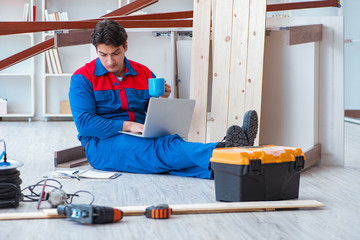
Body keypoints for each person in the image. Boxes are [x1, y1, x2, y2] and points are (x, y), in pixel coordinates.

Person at [69, 19, 258, 179]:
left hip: (143, 137)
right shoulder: (82, 78)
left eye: (115, 53)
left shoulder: (143, 73)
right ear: (96, 51)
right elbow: (85, 124)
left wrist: (161, 100)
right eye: (103, 55)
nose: (110, 61)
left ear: (125, 46)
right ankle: (224, 149)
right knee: (162, 149)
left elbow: (150, 112)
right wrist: (127, 126)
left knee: (169, 149)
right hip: (101, 144)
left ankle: (228, 170)